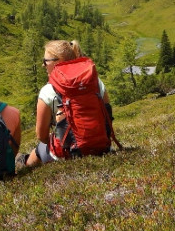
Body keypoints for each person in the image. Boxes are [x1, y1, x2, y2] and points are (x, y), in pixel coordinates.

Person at [22, 39, 120, 169]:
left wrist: (59, 134)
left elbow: (41, 135)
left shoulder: (47, 91)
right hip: (102, 147)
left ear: (57, 62)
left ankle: (24, 167)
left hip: (67, 154)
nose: (43, 65)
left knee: (40, 148)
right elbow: (108, 115)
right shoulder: (95, 82)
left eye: (45, 61)